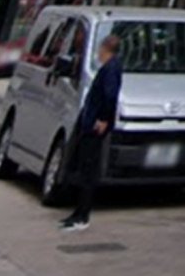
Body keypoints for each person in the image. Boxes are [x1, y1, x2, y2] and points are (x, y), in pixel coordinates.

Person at [59, 31, 124, 233]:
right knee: (83, 166)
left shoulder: (111, 69)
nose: (98, 54)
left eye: (100, 50)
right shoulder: (110, 68)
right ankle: (78, 212)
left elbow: (110, 95)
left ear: (105, 49)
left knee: (88, 169)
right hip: (91, 121)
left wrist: (103, 119)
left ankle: (82, 215)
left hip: (95, 124)